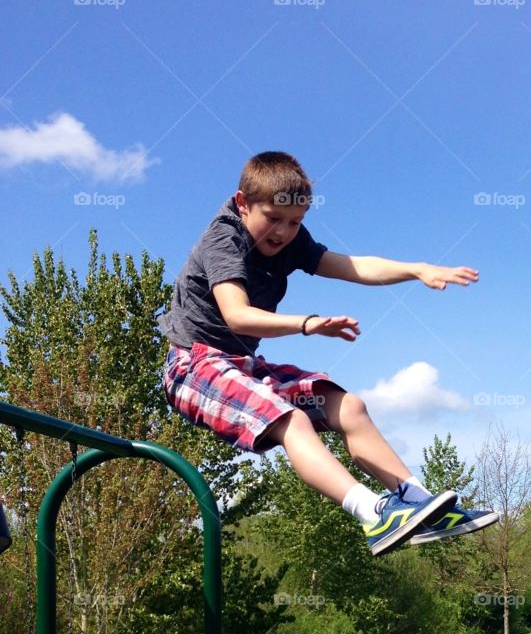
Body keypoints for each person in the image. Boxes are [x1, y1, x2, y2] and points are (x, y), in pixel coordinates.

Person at [160, 151, 498, 556]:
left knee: (347, 406)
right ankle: (374, 515)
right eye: (273, 218)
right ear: (243, 202)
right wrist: (307, 323)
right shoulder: (224, 238)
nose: (283, 233)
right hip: (194, 367)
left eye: (295, 222)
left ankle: (417, 503)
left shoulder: (289, 239)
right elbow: (237, 316)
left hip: (242, 368)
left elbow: (352, 266)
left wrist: (417, 269)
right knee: (292, 420)